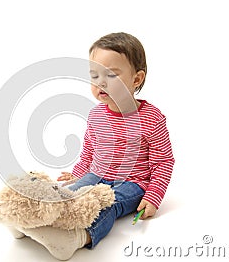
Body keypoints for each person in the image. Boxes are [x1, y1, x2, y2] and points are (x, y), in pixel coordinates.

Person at [15, 32, 175, 261]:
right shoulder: (96, 114)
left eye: (110, 75)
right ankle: (31, 221)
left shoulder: (151, 118)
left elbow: (163, 161)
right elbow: (90, 150)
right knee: (69, 193)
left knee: (107, 203)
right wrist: (78, 175)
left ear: (136, 79)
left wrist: (153, 196)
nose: (100, 82)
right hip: (96, 174)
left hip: (133, 183)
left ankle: (78, 237)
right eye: (94, 75)